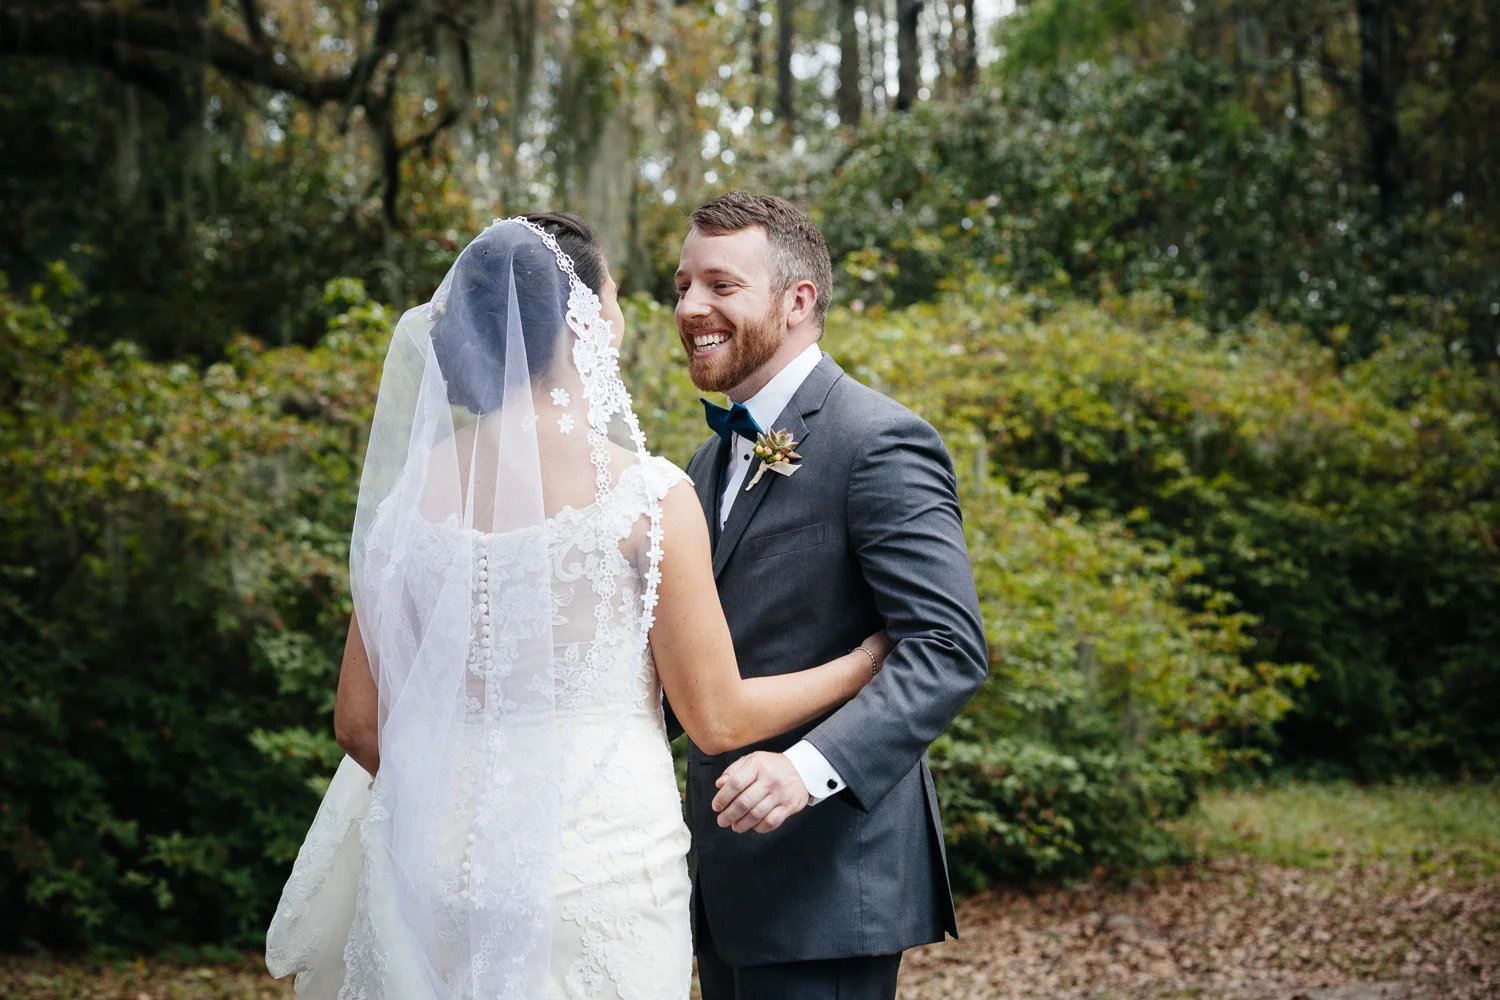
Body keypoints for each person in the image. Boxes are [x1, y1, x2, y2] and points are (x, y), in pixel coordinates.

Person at [264, 212, 891, 1000]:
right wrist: (865, 663)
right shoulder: (646, 495)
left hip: (436, 868)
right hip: (595, 866)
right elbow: (718, 718)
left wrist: (465, 799)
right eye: (617, 298)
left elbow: (358, 723)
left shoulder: (406, 505)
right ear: (583, 320)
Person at [671, 191, 988, 1000]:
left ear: (798, 300)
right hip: (722, 885)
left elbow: (946, 649)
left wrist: (806, 771)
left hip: (828, 881)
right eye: (683, 286)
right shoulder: (704, 464)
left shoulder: (878, 440)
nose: (691, 307)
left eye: (720, 285)